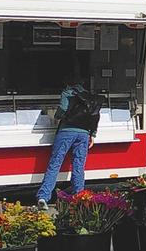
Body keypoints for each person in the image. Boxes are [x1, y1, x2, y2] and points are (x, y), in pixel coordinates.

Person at [36, 78, 101, 206]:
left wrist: (54, 116)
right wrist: (92, 134)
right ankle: (80, 198)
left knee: (55, 164)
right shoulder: (89, 96)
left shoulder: (67, 93)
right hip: (83, 134)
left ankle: (43, 196)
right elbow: (95, 115)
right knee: (78, 166)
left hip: (66, 132)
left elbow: (61, 112)